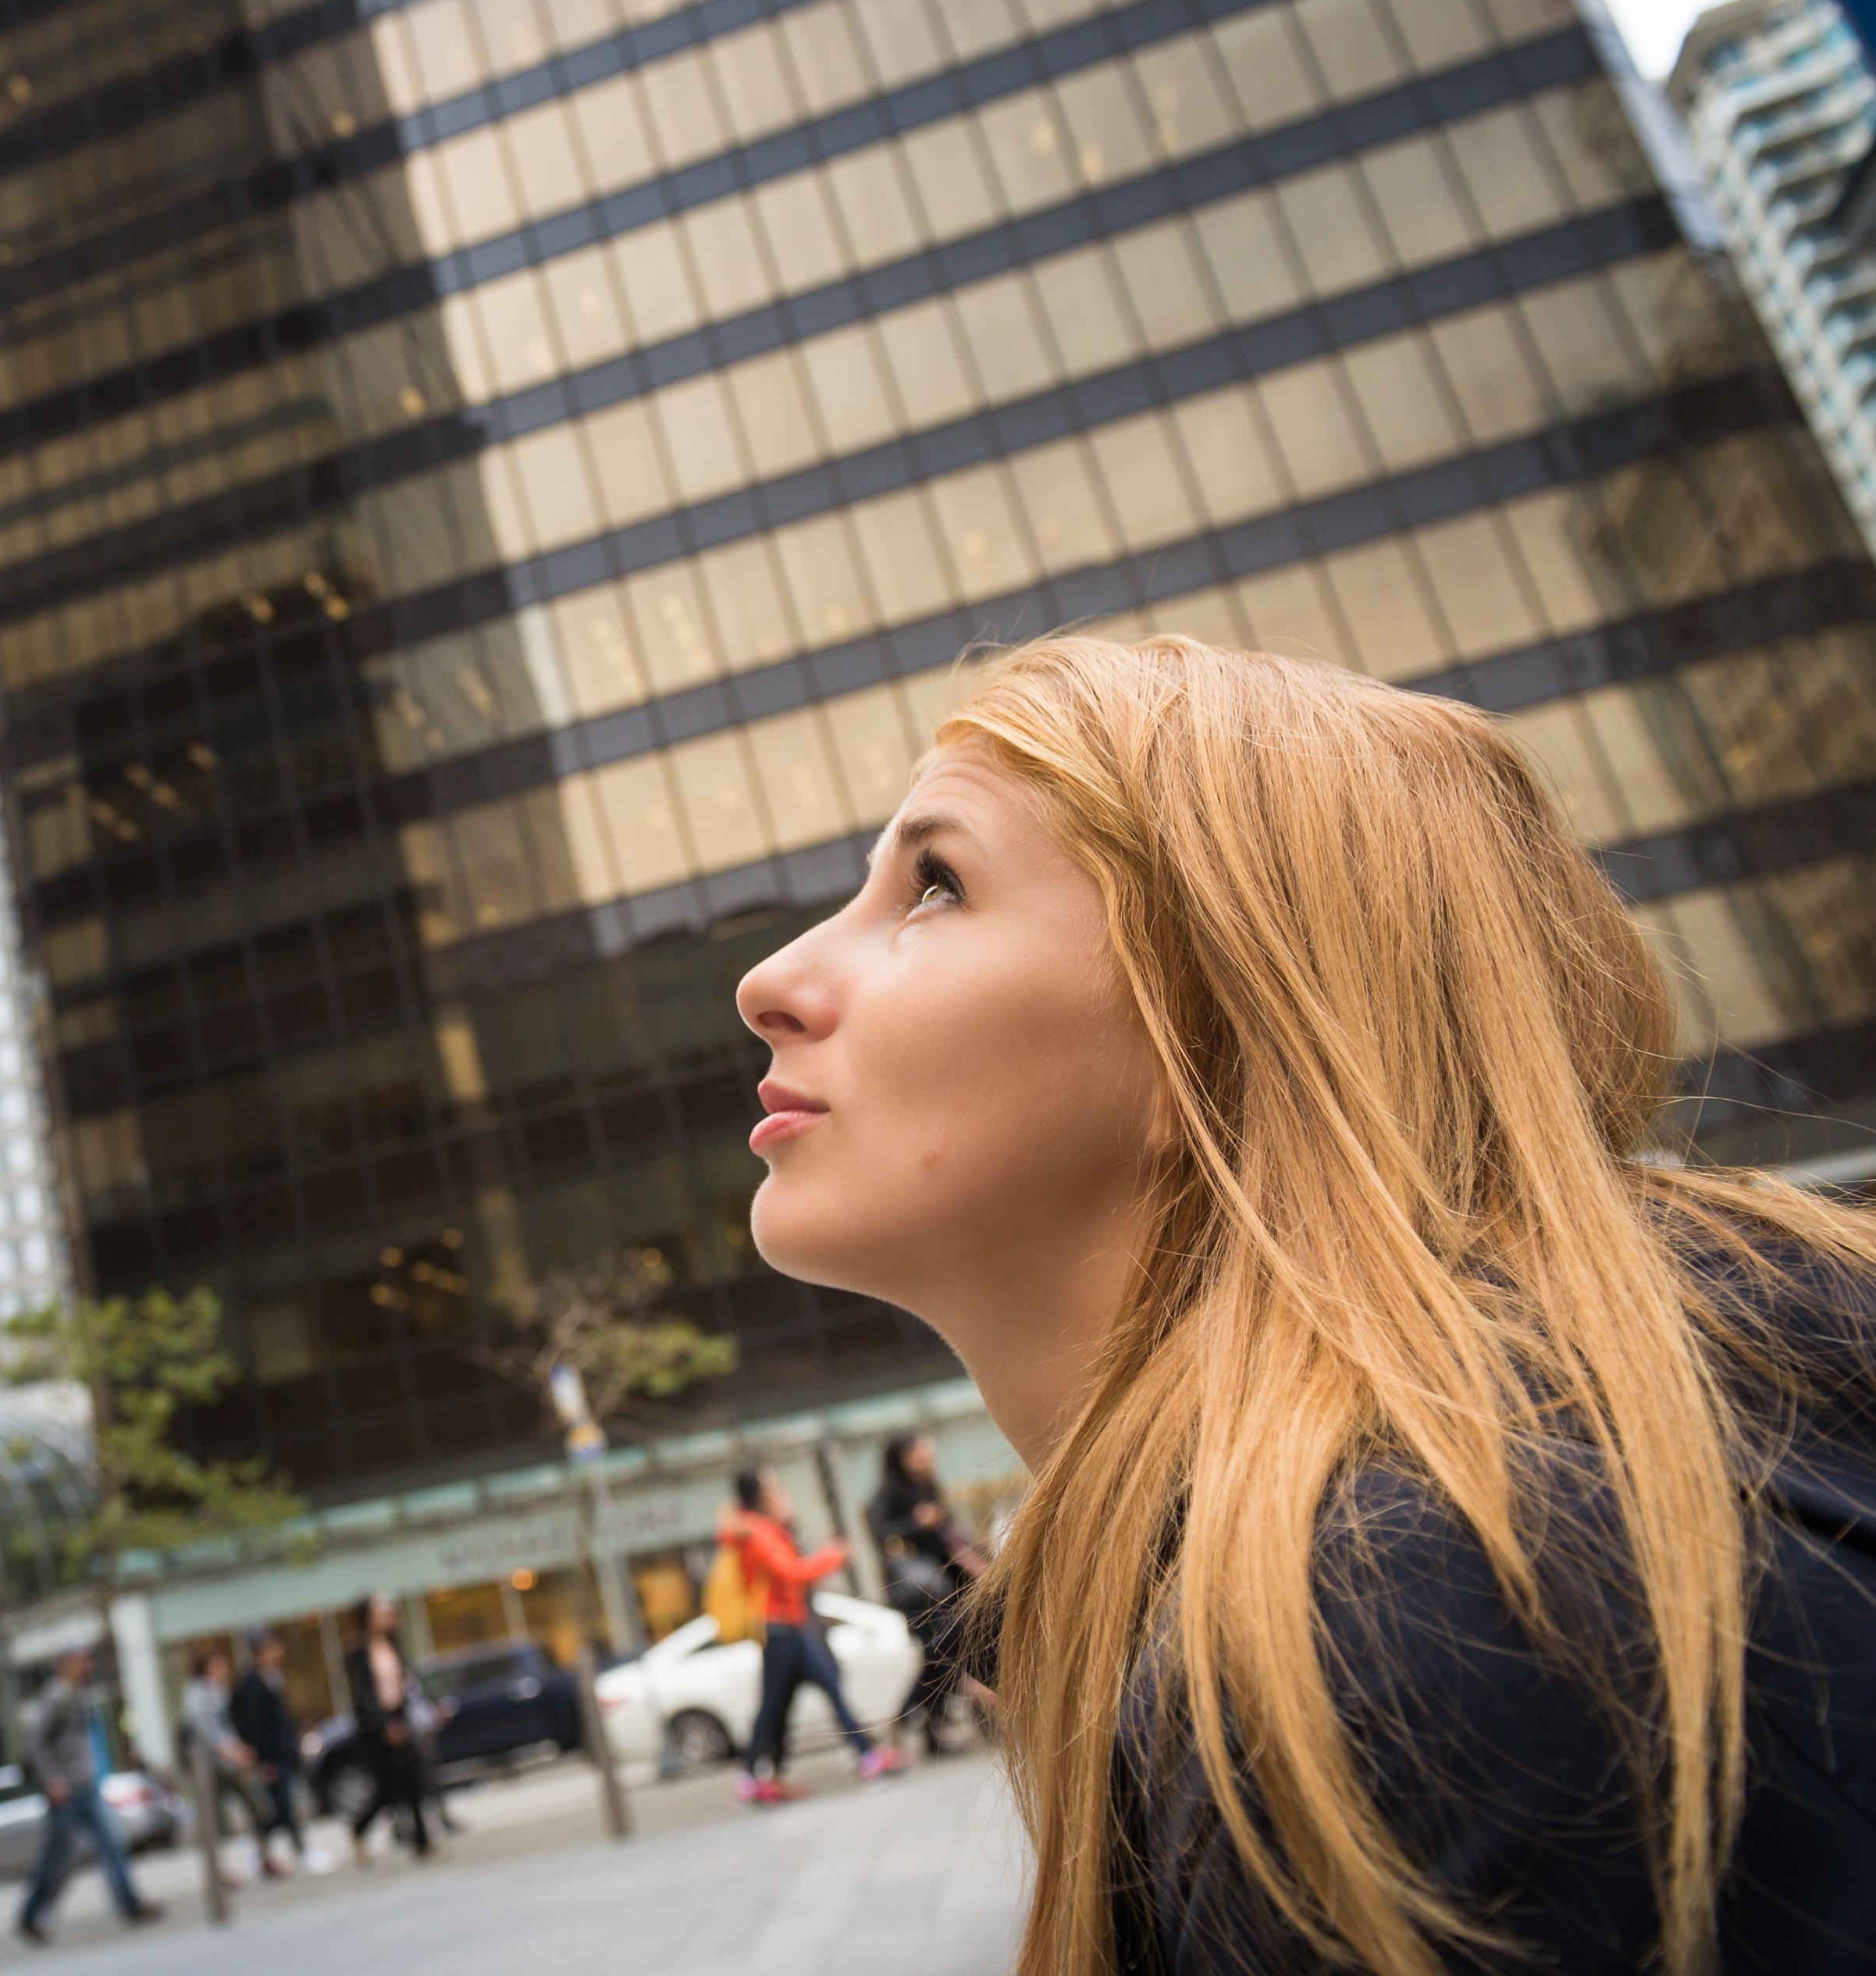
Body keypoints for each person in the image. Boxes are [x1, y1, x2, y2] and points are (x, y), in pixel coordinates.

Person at [732, 633, 1876, 1971]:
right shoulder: (1407, 1552)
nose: (770, 982)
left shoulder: (1422, 1615)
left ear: (1209, 1031)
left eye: (935, 883)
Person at [722, 1468, 902, 1803]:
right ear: (758, 1493)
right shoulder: (757, 1530)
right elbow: (792, 1572)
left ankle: (864, 1755)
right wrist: (832, 1556)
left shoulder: (764, 1527)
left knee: (812, 1693)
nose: (778, 1490)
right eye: (771, 1485)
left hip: (792, 1624)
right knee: (777, 1706)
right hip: (779, 1628)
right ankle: (751, 1777)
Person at [14, 1647, 160, 1944]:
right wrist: (53, 1780)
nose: (86, 1667)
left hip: (86, 1786)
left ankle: (130, 1904)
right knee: (57, 1857)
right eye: (81, 1662)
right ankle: (30, 1915)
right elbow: (36, 1742)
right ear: (66, 1664)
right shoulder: (56, 1697)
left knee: (112, 1844)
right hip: (66, 1791)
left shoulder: (80, 1694)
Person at [867, 1431, 988, 1756]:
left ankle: (919, 1727)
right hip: (920, 1596)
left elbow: (950, 1536)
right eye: (919, 1451)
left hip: (946, 1591)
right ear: (902, 1457)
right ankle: (920, 1725)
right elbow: (883, 1535)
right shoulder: (890, 1494)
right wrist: (917, 1523)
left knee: (937, 1663)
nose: (928, 1456)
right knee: (943, 1659)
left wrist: (978, 1560)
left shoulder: (929, 1488)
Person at [339, 1593, 434, 1862]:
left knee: (413, 1779)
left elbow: (407, 1682)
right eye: (379, 1613)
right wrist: (384, 1724)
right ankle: (360, 1828)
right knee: (387, 1787)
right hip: (377, 1728)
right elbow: (363, 1694)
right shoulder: (357, 1650)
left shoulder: (393, 1643)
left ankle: (423, 1843)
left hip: (399, 1718)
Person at [179, 1647, 282, 1878]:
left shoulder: (224, 1691)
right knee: (215, 1820)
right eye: (218, 1665)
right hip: (210, 1766)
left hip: (233, 1762)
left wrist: (241, 1749)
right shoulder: (196, 1693)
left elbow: (233, 1725)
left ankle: (264, 1858)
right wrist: (229, 1749)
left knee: (257, 1806)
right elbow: (203, 1729)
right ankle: (220, 1873)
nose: (224, 1670)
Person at [225, 1627, 309, 1874]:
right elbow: (255, 1725)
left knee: (286, 1805)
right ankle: (263, 1844)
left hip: (283, 1750)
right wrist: (262, 1759)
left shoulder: (273, 1676)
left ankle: (279, 1847)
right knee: (281, 1806)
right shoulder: (252, 1683)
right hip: (271, 1755)